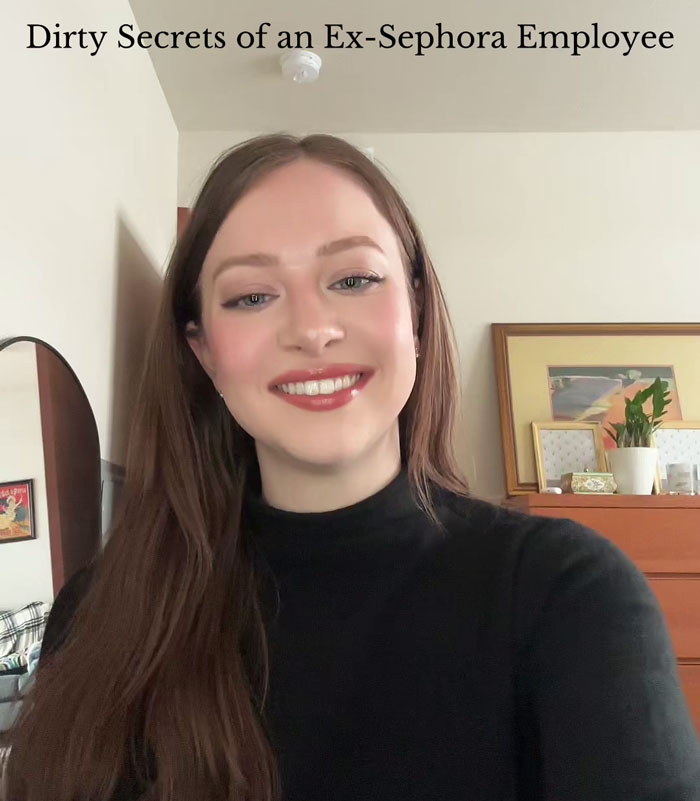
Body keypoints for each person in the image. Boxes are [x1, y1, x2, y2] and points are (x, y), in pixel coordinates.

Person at [5, 133, 700, 801]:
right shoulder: (100, 613)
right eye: (252, 295)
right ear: (204, 351)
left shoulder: (567, 591)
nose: (312, 328)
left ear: (419, 316)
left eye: (354, 278)